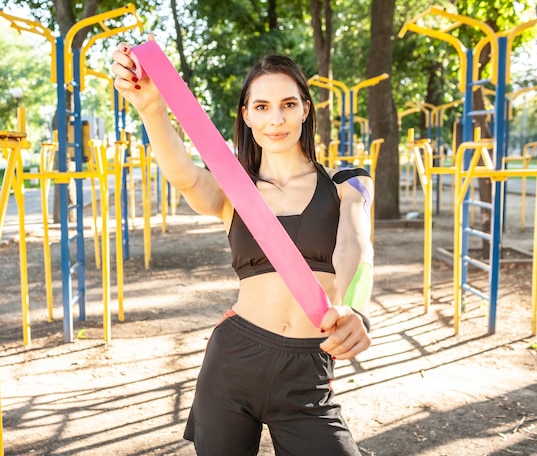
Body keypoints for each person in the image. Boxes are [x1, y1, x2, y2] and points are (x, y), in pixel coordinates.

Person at [112, 39, 374, 456]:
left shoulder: (347, 183)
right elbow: (183, 174)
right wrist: (151, 109)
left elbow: (356, 244)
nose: (277, 119)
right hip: (233, 361)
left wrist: (351, 309)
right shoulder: (233, 190)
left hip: (307, 370)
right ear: (247, 115)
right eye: (262, 107)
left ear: (306, 109)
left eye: (288, 104)